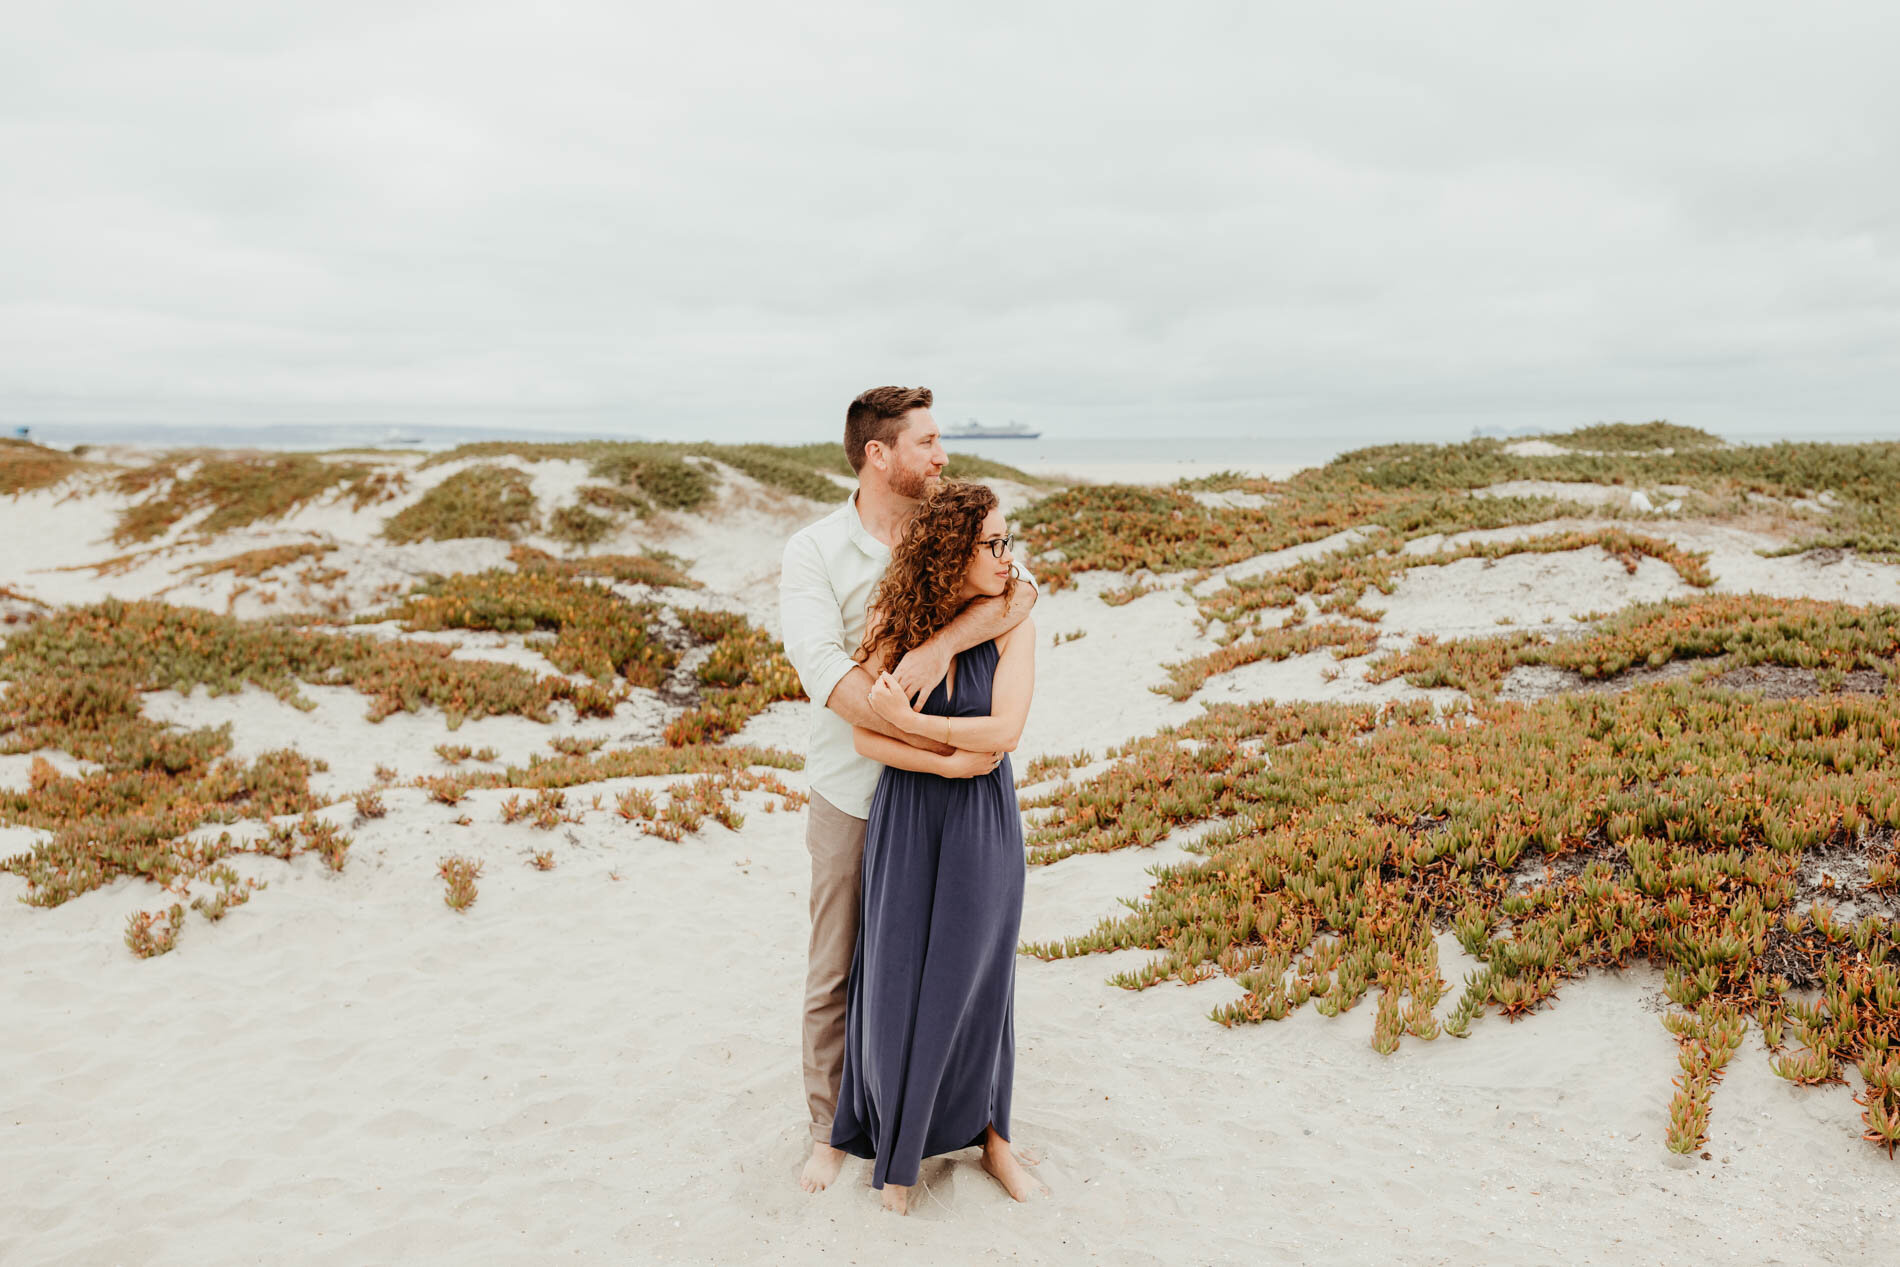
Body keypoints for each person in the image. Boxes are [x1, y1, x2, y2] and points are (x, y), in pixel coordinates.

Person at [778, 386, 1037, 1195]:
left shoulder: (951, 529)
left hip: (948, 800)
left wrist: (938, 654)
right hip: (857, 791)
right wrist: (944, 745)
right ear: (877, 455)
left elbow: (1020, 596)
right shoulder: (815, 551)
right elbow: (834, 679)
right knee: (839, 966)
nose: (941, 455)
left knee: (952, 962)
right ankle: (831, 1128)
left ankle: (950, 1118)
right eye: (926, 441)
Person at [828, 479, 1043, 1214]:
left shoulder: (1015, 619)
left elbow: (1005, 731)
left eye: (1008, 541)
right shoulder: (897, 614)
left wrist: (919, 730)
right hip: (909, 812)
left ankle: (994, 1137)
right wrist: (943, 756)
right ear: (953, 551)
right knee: (893, 980)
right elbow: (864, 733)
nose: (1008, 558)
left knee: (976, 981)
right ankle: (898, 1156)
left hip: (982, 815)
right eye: (994, 544)